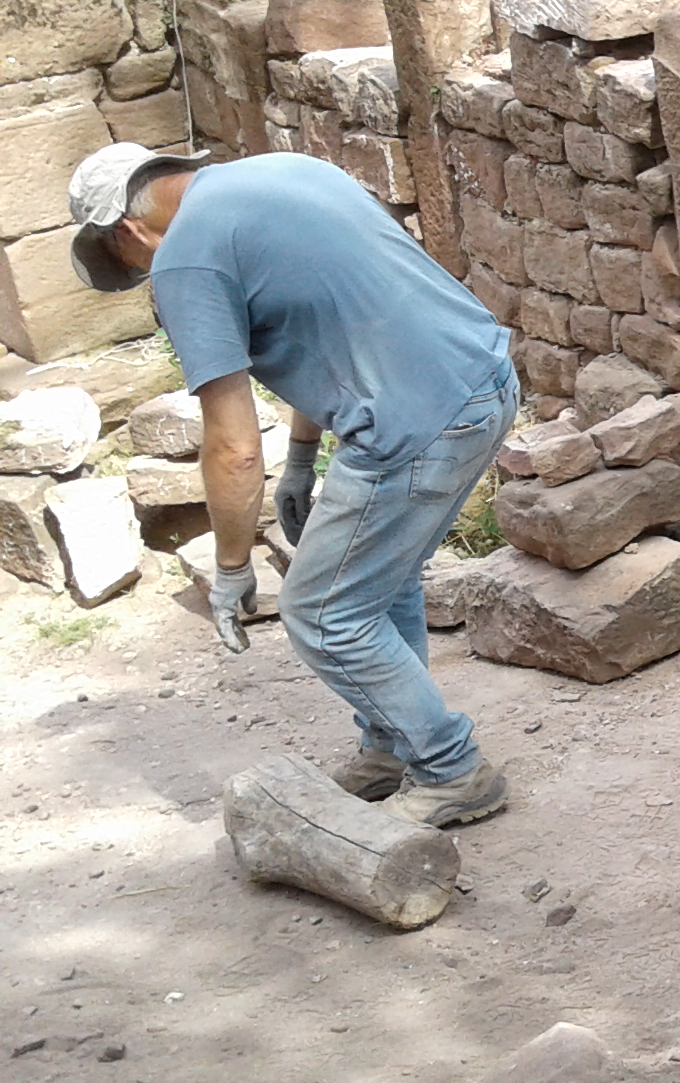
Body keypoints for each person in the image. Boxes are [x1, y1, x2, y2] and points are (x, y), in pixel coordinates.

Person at [67, 142, 519, 828]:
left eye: (129, 264)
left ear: (127, 231)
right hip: (482, 381)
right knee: (380, 585)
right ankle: (391, 747)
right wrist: (304, 456)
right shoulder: (286, 171)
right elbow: (333, 320)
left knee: (322, 614)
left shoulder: (185, 256)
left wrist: (230, 568)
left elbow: (233, 447)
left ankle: (453, 770)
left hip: (416, 425)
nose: (144, 276)